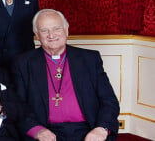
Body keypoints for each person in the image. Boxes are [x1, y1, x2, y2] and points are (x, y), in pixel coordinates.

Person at [12, 9, 120, 141]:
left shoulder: (90, 59)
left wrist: (101, 129)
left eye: (57, 28)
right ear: (36, 34)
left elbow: (109, 101)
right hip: (45, 131)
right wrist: (37, 131)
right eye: (44, 30)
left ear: (66, 30)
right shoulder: (23, 63)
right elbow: (18, 105)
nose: (51, 35)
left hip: (88, 130)